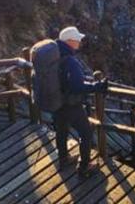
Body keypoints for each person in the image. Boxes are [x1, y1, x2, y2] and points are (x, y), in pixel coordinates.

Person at [53, 26, 108, 177]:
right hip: (70, 104)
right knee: (86, 132)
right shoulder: (70, 60)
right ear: (70, 41)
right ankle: (84, 167)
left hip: (56, 102)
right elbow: (77, 86)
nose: (79, 41)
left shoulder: (55, 54)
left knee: (61, 130)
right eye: (77, 39)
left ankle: (63, 159)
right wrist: (98, 86)